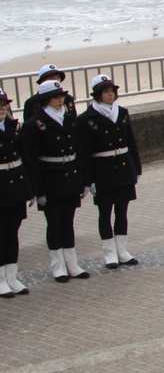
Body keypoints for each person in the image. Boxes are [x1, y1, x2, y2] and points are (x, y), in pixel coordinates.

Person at [20, 81, 89, 282]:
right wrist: (38, 190)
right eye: (56, 97)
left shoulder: (70, 120)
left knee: (68, 221)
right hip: (50, 180)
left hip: (70, 176)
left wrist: (84, 180)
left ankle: (72, 264)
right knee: (54, 222)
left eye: (62, 96)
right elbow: (32, 161)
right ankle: (58, 266)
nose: (61, 100)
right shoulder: (34, 124)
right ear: (46, 100)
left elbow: (80, 151)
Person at [76, 75, 142, 270]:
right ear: (98, 95)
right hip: (102, 171)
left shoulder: (122, 112)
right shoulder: (86, 119)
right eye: (105, 92)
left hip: (123, 166)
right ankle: (109, 252)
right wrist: (88, 180)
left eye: (112, 91)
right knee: (105, 213)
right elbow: (84, 152)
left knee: (122, 211)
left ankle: (122, 250)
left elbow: (131, 142)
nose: (110, 95)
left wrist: (136, 168)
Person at [0, 87, 34, 298]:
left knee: (13, 231)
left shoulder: (13, 127)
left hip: (16, 185)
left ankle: (12, 276)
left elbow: (25, 156)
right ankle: (0, 279)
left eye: (4, 105)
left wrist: (30, 188)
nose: (2, 109)